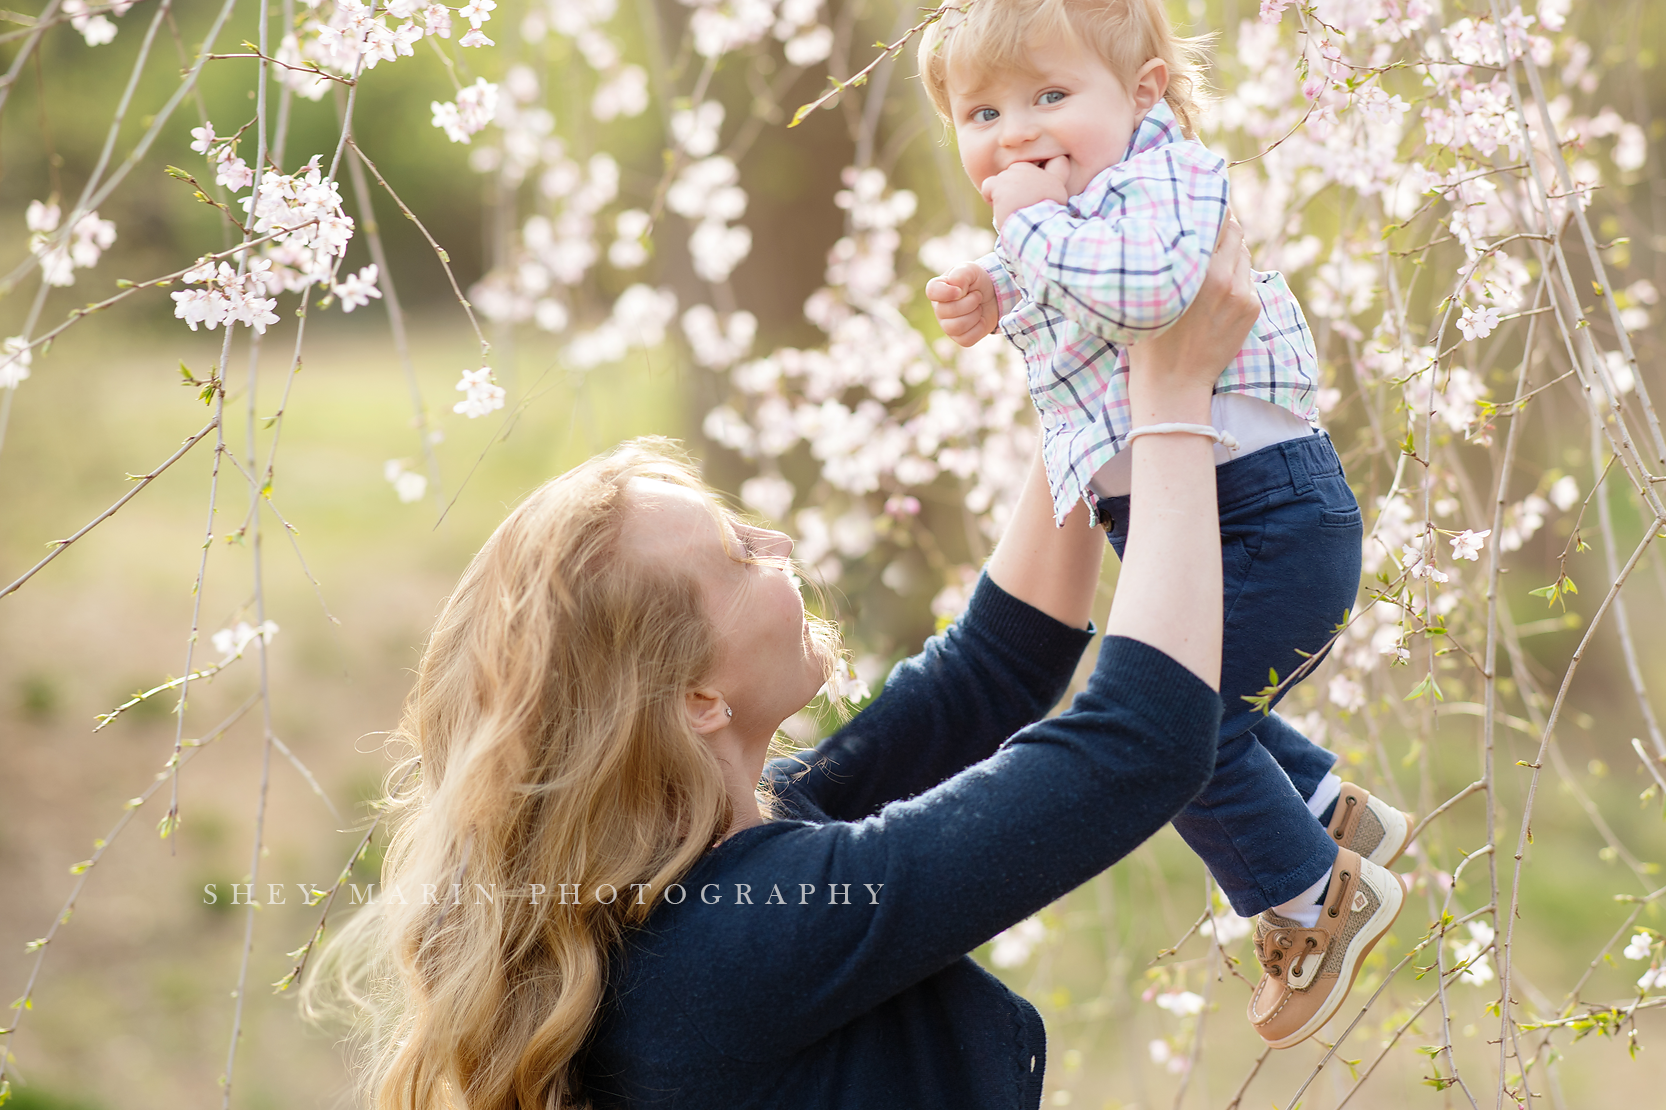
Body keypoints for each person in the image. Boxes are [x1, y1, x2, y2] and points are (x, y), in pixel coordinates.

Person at [303, 222, 1373, 1108]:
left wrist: (1084, 365)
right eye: (735, 557)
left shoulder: (714, 857)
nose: (778, 547)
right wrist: (1172, 406)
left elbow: (995, 669)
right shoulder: (738, 942)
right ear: (696, 701)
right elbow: (1135, 749)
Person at [919, 0, 1411, 1047]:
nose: (1017, 134)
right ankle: (1330, 810)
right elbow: (1070, 299)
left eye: (1048, 93)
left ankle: (1312, 898)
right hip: (1188, 525)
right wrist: (993, 293)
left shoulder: (1168, 181)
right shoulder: (1063, 220)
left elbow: (1143, 292)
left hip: (1270, 517)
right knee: (1174, 702)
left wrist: (1028, 237)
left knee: (1158, 737)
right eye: (982, 114)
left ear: (1142, 93)